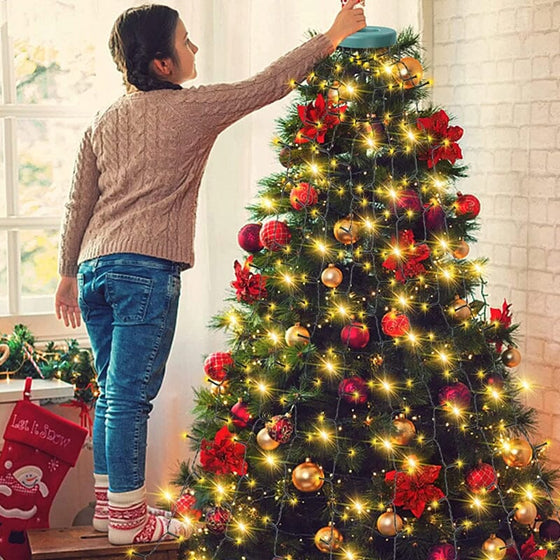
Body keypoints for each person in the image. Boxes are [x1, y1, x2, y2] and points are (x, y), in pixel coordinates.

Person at [55, 1, 366, 546]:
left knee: (111, 393)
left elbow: (78, 203)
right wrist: (332, 37)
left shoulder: (104, 118)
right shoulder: (190, 109)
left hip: (93, 268)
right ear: (162, 66)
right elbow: (268, 83)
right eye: (186, 40)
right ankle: (130, 520)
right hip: (145, 269)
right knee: (129, 398)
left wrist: (65, 275)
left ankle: (110, 507)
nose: (194, 48)